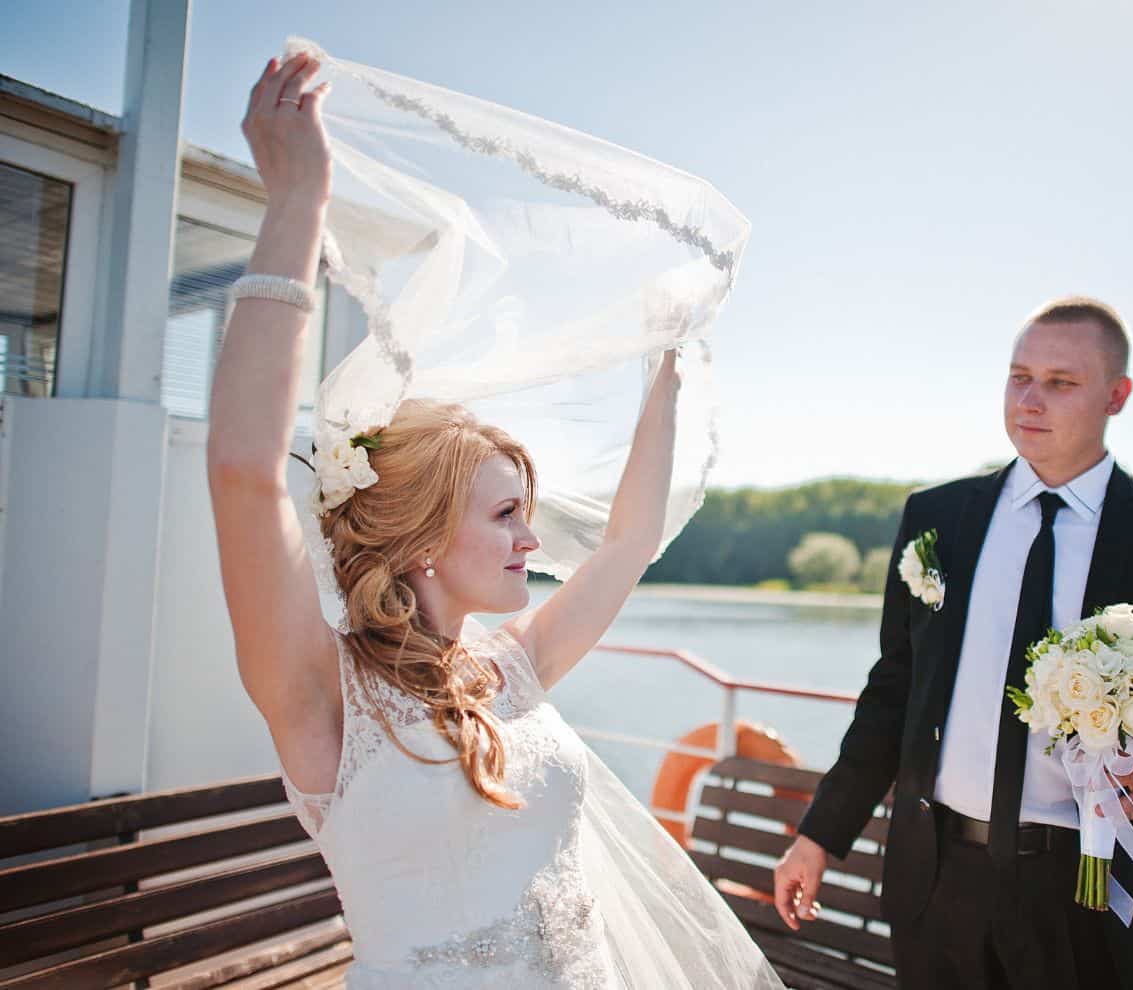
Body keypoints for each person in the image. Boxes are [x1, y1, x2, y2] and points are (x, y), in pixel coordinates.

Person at [210, 53, 782, 989]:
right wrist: (296, 208)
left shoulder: (510, 668)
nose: (534, 537)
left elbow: (629, 541)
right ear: (426, 537)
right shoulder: (320, 693)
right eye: (508, 512)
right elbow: (243, 474)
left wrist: (665, 366)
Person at [772, 297, 1133, 989]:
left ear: (1117, 396)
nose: (1030, 399)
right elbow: (893, 693)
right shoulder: (936, 517)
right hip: (937, 881)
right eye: (1018, 375)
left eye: (1061, 382)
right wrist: (819, 836)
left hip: (1093, 894)